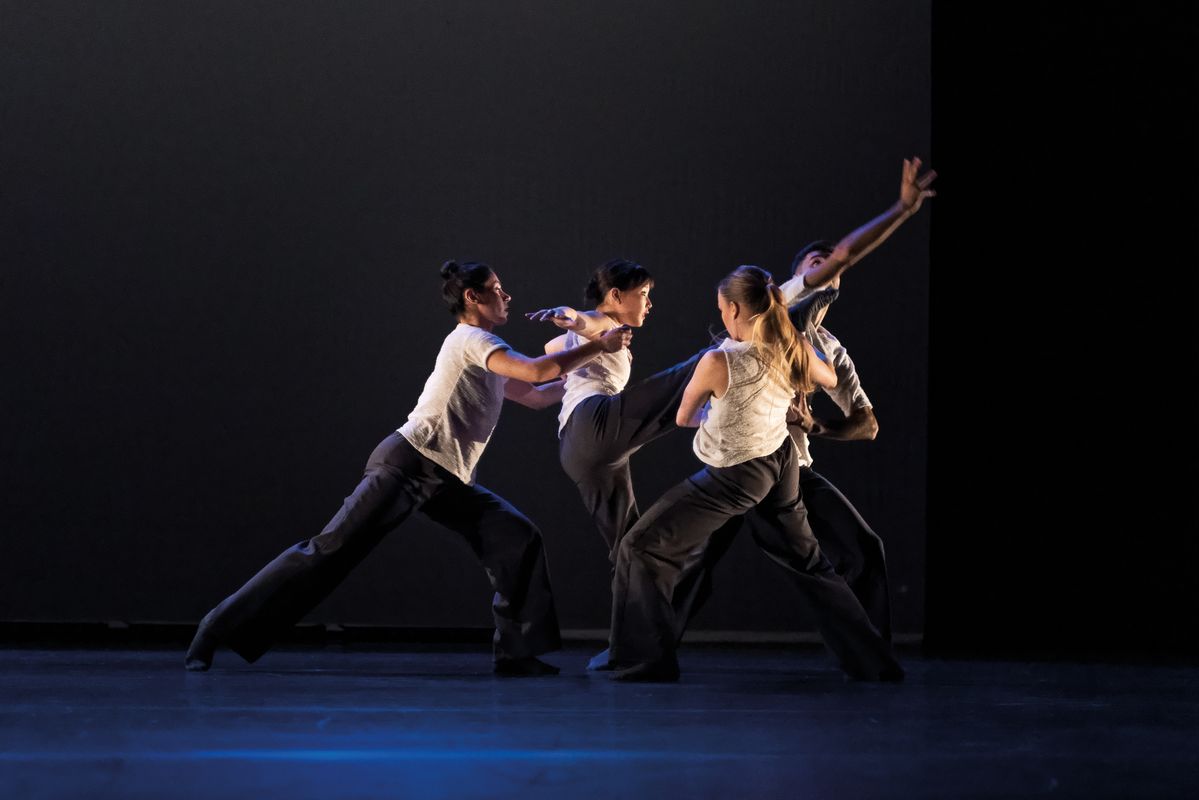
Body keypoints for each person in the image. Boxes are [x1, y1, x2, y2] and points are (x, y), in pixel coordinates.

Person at [184, 260, 632, 676]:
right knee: (328, 550)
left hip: (447, 477)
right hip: (410, 462)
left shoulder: (487, 350)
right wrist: (598, 345)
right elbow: (536, 373)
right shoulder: (472, 340)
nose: (506, 296)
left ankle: (517, 652)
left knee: (517, 538)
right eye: (497, 290)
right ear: (473, 298)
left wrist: (591, 379)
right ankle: (216, 626)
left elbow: (535, 395)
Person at [608, 266, 902, 682]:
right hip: (782, 465)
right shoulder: (791, 346)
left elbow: (685, 416)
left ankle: (645, 661)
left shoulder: (718, 359)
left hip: (738, 473)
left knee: (641, 547)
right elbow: (830, 376)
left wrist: (718, 412)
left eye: (721, 310)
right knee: (809, 563)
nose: (721, 317)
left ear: (733, 309)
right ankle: (876, 663)